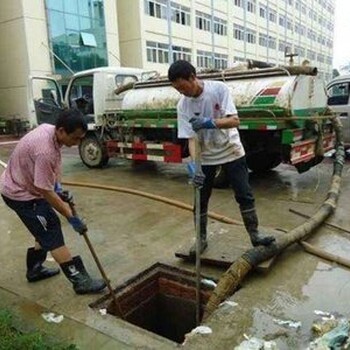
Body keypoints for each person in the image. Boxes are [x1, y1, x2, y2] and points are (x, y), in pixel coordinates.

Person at [168, 60, 275, 256]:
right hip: (206, 157)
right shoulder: (182, 105)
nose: (182, 93)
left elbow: (234, 120)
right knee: (200, 200)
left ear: (193, 77)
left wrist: (209, 122)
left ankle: (255, 234)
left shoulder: (218, 89)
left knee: (244, 194)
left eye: (183, 87)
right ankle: (201, 239)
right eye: (178, 90)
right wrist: (195, 166)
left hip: (231, 150)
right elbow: (191, 139)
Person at [0, 108, 106, 294]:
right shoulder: (45, 150)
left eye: (81, 138)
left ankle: (35, 269)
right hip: (21, 194)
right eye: (75, 138)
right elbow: (44, 189)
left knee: (43, 227)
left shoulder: (50, 131)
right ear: (62, 131)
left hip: (28, 187)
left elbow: (48, 176)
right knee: (51, 231)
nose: (77, 142)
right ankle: (79, 281)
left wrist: (58, 188)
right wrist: (71, 216)